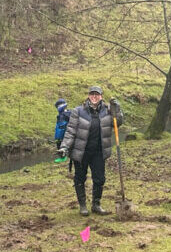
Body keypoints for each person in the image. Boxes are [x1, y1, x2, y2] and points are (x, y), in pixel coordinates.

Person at [57, 86, 123, 216]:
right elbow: (70, 131)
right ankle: (82, 206)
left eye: (97, 94)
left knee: (100, 179)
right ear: (88, 96)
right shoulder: (78, 111)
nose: (94, 97)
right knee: (80, 178)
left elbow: (119, 122)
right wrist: (64, 147)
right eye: (92, 94)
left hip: (99, 151)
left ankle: (96, 205)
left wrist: (117, 110)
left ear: (101, 97)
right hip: (81, 151)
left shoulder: (108, 111)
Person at [53, 98, 71, 165]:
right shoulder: (60, 115)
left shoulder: (67, 114)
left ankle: (63, 157)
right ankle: (62, 157)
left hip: (63, 133)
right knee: (58, 144)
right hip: (59, 133)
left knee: (63, 145)